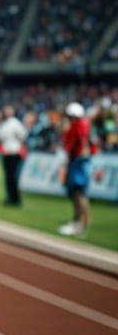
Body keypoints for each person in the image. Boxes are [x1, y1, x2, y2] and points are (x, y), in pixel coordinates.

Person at [59, 101, 92, 236]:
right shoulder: (79, 125)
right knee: (75, 193)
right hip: (76, 160)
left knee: (79, 193)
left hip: (78, 161)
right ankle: (78, 220)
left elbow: (81, 144)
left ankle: (82, 222)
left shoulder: (79, 126)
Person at [0, 105, 27, 207]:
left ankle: (16, 199)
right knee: (8, 177)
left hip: (14, 152)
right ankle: (10, 197)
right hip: (6, 152)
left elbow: (22, 135)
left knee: (13, 177)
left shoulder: (15, 123)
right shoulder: (3, 124)